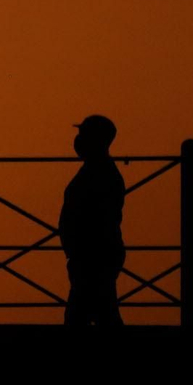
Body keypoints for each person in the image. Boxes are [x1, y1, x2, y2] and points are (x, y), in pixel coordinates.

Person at [60, 115, 126, 327]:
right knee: (103, 312)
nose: (78, 140)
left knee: (82, 316)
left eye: (83, 135)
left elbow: (96, 219)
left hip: (92, 257)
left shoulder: (99, 174)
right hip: (92, 256)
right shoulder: (100, 171)